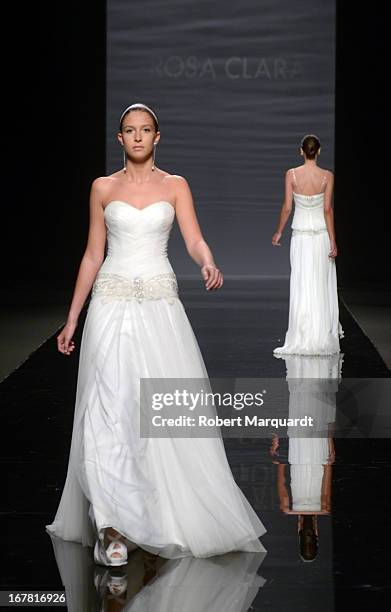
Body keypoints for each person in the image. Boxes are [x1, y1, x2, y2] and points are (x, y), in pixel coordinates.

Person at [45, 102, 267, 566]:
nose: (139, 137)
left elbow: (192, 238)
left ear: (157, 137)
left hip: (160, 310)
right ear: (120, 138)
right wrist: (72, 318)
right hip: (110, 305)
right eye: (130, 130)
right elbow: (91, 254)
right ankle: (112, 525)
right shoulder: (102, 188)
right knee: (106, 408)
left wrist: (206, 260)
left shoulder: (176, 185)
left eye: (146, 130)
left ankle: (155, 513)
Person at [272, 134, 344, 356]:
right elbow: (327, 210)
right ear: (319, 151)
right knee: (320, 283)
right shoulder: (327, 176)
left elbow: (287, 207)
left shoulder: (291, 175)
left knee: (302, 283)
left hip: (301, 237)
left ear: (301, 151)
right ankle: (321, 334)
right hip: (321, 236)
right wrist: (333, 240)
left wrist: (278, 232)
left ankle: (302, 336)